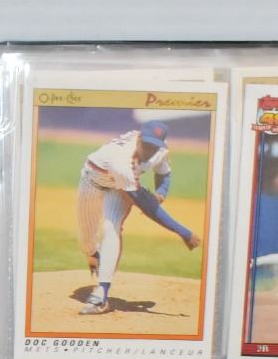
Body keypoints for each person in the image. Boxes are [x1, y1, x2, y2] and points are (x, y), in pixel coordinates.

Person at [73, 120, 201, 316]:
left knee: (111, 227)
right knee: (87, 239)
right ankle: (93, 255)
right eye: (146, 144)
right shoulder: (122, 160)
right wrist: (184, 232)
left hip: (119, 188)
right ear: (139, 138)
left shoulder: (160, 150)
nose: (149, 150)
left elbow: (163, 173)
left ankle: (101, 295)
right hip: (93, 181)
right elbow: (147, 207)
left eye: (154, 146)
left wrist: (161, 194)